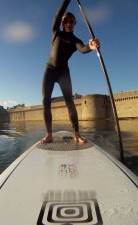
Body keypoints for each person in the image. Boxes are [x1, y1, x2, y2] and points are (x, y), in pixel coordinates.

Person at [40, 0, 100, 144]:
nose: (68, 23)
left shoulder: (75, 40)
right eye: (65, 21)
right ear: (62, 22)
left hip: (63, 72)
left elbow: (82, 48)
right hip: (50, 69)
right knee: (45, 101)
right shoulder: (56, 32)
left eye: (71, 21)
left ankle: (77, 134)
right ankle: (49, 134)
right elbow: (57, 14)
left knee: (70, 102)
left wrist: (91, 47)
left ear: (74, 23)